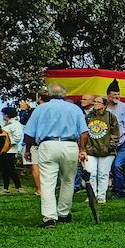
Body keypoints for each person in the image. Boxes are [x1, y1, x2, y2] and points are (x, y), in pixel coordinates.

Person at [24, 85, 87, 226]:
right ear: (65, 94)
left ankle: (49, 217)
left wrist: (28, 149)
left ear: (50, 94)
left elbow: (29, 133)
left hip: (48, 145)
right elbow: (84, 132)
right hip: (70, 145)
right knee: (68, 180)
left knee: (47, 182)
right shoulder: (74, 109)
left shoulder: (40, 109)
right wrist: (82, 149)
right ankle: (63, 213)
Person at [81, 96, 120, 202]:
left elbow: (115, 133)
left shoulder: (111, 117)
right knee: (91, 173)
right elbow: (84, 133)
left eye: (98, 102)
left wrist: (111, 146)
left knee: (103, 173)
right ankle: (92, 195)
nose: (95, 103)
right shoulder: (89, 117)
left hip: (107, 150)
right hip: (91, 150)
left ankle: (101, 196)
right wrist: (84, 148)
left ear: (104, 105)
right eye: (94, 101)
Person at [0, 107, 24, 193]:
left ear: (6, 114)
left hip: (10, 150)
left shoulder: (16, 124)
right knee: (4, 169)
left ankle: (18, 187)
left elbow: (17, 137)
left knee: (10, 169)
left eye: (3, 114)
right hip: (3, 150)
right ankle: (6, 188)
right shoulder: (6, 124)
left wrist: (8, 143)